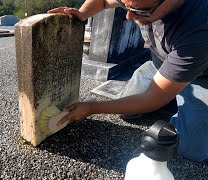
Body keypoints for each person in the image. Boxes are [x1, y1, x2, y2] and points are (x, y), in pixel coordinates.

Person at [48, 0, 208, 162]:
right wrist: (82, 14)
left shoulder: (200, 27)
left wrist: (92, 107)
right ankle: (169, 90)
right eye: (124, 5)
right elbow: (103, 1)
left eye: (141, 11)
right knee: (125, 111)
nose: (129, 16)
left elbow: (152, 97)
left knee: (190, 149)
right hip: (160, 65)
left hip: (201, 77)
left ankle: (170, 96)